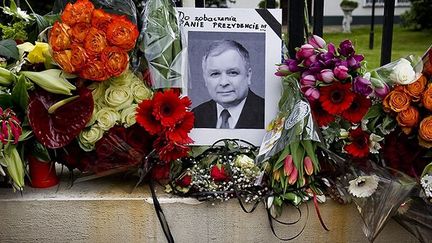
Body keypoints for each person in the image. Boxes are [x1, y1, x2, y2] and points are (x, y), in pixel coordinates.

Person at [193, 40, 264, 129]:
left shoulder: (266, 113)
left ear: (248, 76)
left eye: (233, 73)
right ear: (205, 79)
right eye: (215, 74)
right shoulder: (195, 116)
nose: (223, 82)